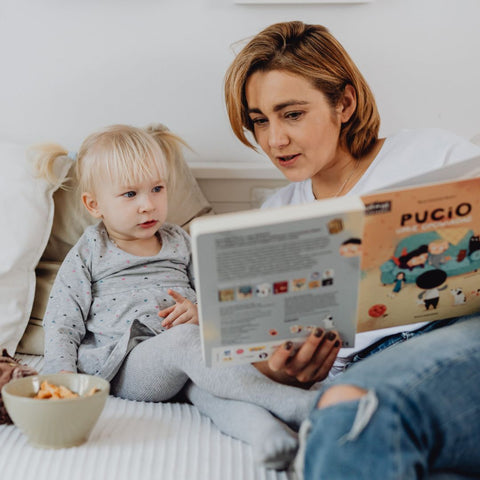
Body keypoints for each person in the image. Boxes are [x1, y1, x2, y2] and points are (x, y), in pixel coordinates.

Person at [224, 20, 480, 479]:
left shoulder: (433, 156)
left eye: (292, 114)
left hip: (460, 337)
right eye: (260, 120)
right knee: (354, 424)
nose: (273, 140)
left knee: (348, 413)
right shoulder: (272, 217)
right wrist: (280, 371)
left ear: (344, 102)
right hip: (361, 373)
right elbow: (264, 344)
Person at [35, 123, 319, 469]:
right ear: (94, 205)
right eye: (130, 195)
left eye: (157, 189)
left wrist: (199, 313)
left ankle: (268, 437)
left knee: (214, 392)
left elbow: (216, 300)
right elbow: (63, 322)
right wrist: (61, 382)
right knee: (186, 340)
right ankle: (297, 406)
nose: (148, 205)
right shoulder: (91, 250)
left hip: (186, 360)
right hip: (128, 363)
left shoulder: (180, 240)